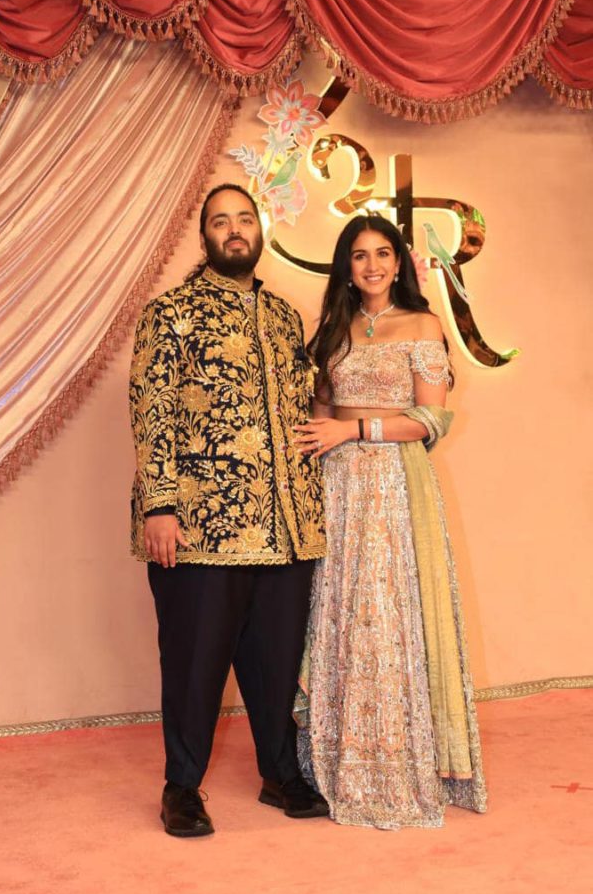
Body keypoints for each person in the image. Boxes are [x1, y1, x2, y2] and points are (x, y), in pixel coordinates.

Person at [129, 183, 328, 837]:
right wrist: (159, 504)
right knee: (193, 663)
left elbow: (301, 409)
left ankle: (279, 772)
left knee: (275, 658)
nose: (234, 230)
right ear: (205, 235)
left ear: (258, 230)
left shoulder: (281, 317)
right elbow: (151, 409)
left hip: (285, 528)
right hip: (199, 526)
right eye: (221, 221)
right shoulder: (172, 313)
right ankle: (181, 787)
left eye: (244, 219)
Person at [294, 214, 487, 829]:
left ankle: (395, 762)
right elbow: (317, 416)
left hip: (394, 484)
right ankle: (331, 758)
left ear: (400, 263)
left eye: (382, 254)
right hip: (336, 486)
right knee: (338, 609)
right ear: (345, 266)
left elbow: (431, 421)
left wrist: (354, 430)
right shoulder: (332, 328)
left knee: (388, 609)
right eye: (359, 255)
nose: (372, 265)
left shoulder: (423, 324)